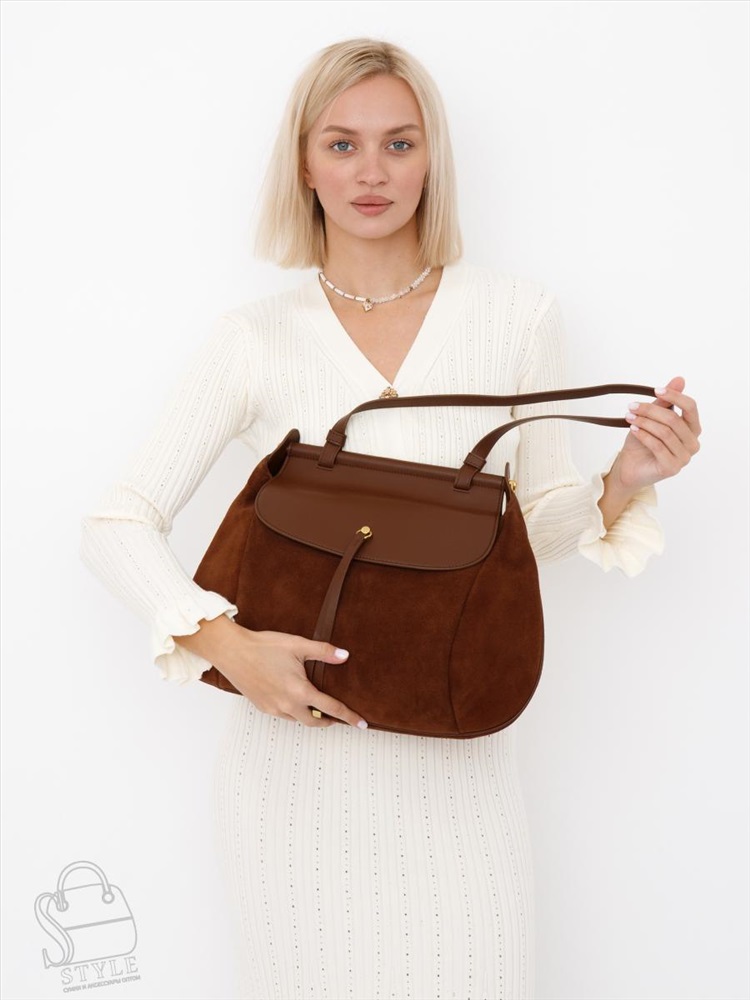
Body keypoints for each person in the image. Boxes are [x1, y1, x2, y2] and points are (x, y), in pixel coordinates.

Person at [81, 37, 701, 1000]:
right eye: (342, 144)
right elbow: (116, 521)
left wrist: (624, 479)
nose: (371, 172)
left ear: (431, 160)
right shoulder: (254, 338)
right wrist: (230, 648)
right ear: (304, 165)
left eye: (399, 144)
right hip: (292, 782)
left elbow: (525, 535)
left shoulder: (515, 315)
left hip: (458, 772)